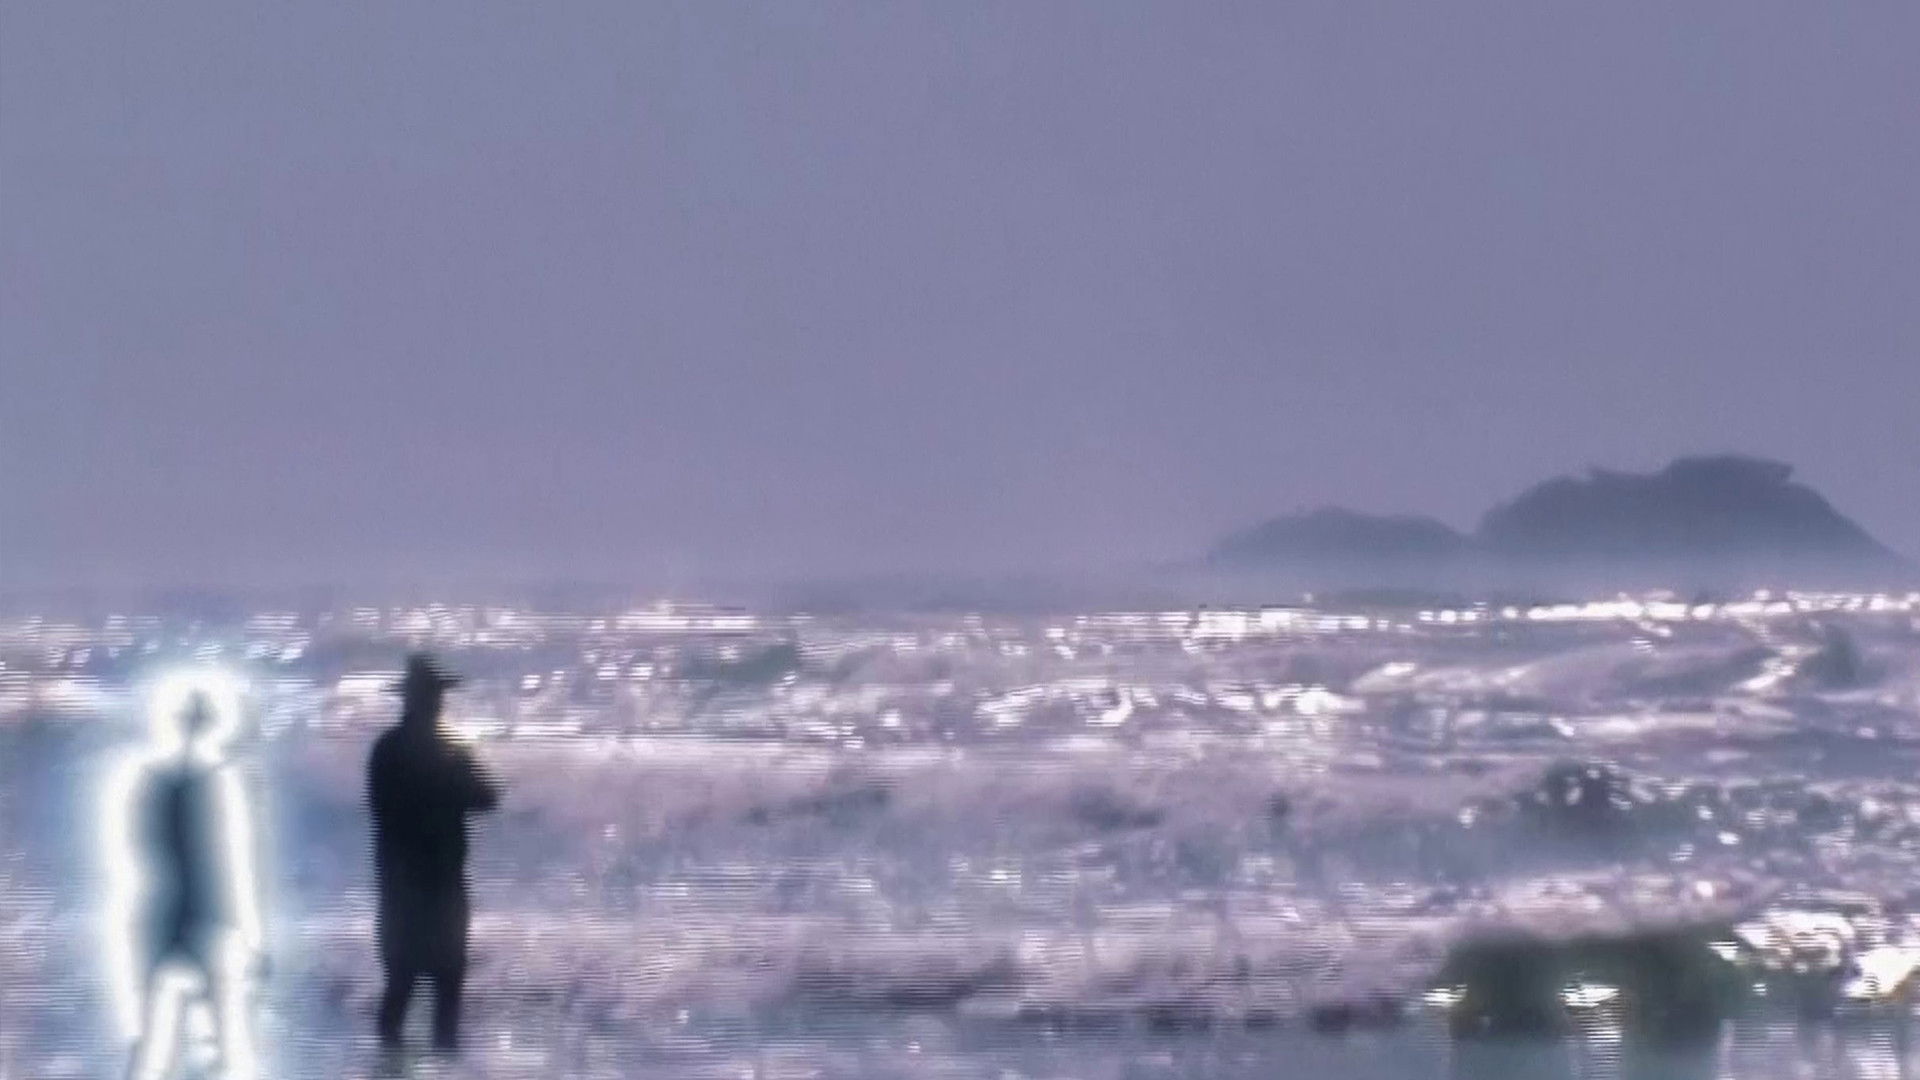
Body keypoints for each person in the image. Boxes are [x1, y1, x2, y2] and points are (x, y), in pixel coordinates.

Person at [120, 684, 266, 1080]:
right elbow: (229, 861)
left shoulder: (151, 780)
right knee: (228, 1038)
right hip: (207, 913)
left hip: (161, 913)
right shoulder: (218, 781)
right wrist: (251, 935)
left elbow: (140, 845)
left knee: (154, 1039)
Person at [367, 653, 501, 1052]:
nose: (437, 703)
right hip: (423, 887)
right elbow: (483, 796)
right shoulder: (432, 752)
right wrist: (450, 779)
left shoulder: (394, 749)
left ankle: (392, 1068)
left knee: (414, 985)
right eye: (433, 695)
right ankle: (410, 1066)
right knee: (430, 987)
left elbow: (487, 797)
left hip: (417, 888)